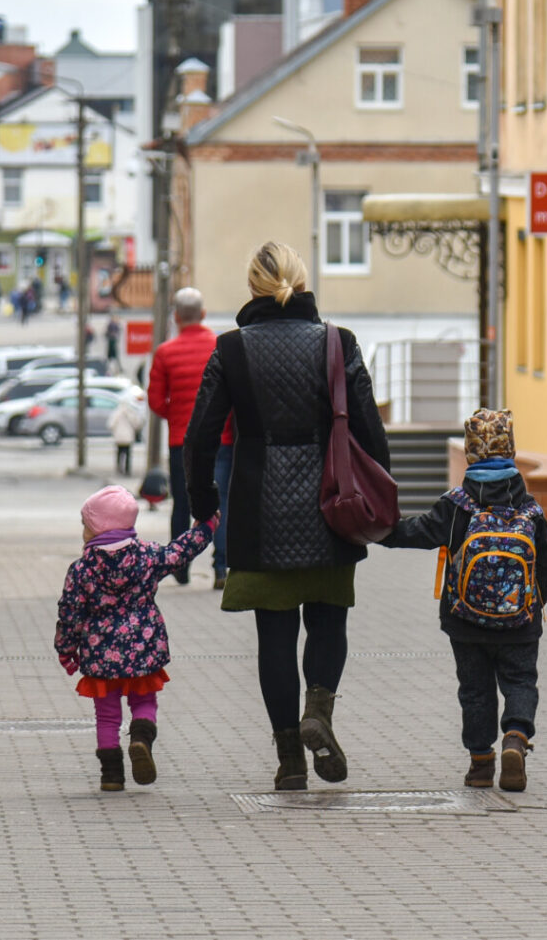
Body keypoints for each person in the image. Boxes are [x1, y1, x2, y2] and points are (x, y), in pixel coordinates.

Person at [183, 242, 389, 791]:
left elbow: (200, 437)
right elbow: (369, 429)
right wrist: (378, 500)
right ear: (301, 281)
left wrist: (204, 505)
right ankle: (318, 710)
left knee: (274, 635)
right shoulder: (338, 342)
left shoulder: (230, 349)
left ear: (252, 287)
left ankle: (290, 759)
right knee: (329, 619)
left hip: (259, 510)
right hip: (330, 507)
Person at [379, 409, 547, 792]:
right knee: (520, 680)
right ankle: (516, 737)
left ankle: (480, 765)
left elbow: (417, 532)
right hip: (520, 622)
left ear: (471, 453)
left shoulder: (457, 506)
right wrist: (534, 606)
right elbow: (545, 562)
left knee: (475, 690)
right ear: (511, 449)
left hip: (466, 621)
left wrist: (375, 530)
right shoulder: (530, 508)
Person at [54, 485, 217, 792]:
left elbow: (70, 612)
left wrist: (66, 649)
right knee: (144, 701)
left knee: (106, 716)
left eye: (86, 525)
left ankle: (111, 776)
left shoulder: (81, 570)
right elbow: (179, 553)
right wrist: (205, 528)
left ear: (99, 527)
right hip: (143, 648)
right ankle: (141, 739)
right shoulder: (148, 556)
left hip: (100, 655)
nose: (83, 531)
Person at [148, 287, 222, 585]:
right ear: (203, 314)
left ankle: (180, 566)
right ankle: (221, 567)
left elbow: (155, 401)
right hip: (222, 438)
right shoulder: (220, 346)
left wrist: (178, 415)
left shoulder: (165, 352)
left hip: (181, 440)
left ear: (176, 317)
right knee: (221, 501)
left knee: (182, 502)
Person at [108, 398, 143, 476]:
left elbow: (111, 424)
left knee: (119, 453)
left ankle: (119, 468)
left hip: (119, 437)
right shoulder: (131, 413)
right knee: (128, 454)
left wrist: (114, 431)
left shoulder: (116, 413)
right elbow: (137, 424)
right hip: (128, 437)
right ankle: (127, 470)